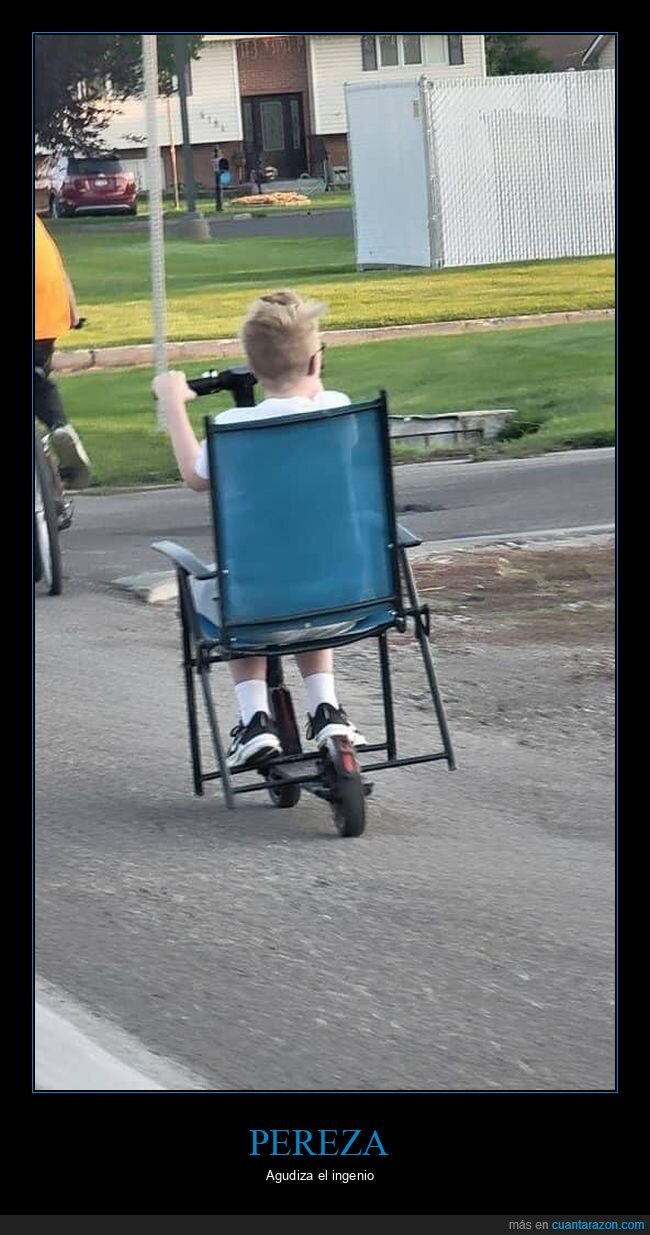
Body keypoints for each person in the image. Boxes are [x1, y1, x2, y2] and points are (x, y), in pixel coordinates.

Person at [153, 290, 368, 770]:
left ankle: (254, 720)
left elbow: (194, 476)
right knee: (311, 561)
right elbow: (310, 398)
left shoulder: (233, 429)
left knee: (230, 585)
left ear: (252, 366)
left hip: (257, 608)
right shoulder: (339, 411)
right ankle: (326, 708)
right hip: (348, 594)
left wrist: (173, 404)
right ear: (317, 359)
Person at [35, 213, 92, 503]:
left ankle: (49, 490)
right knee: (39, 382)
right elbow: (57, 266)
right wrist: (73, 311)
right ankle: (60, 427)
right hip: (47, 313)